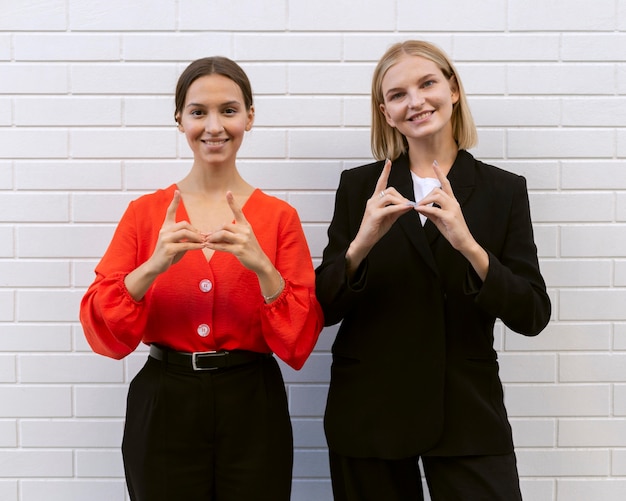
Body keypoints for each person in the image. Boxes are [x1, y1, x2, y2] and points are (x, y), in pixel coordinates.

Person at [80, 56, 324, 501]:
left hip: (253, 401)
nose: (214, 126)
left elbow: (299, 343)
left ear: (250, 117)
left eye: (229, 110)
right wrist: (153, 265)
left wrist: (263, 268)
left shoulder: (277, 218)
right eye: (198, 112)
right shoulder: (145, 213)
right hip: (164, 401)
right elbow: (104, 334)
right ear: (180, 120)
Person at [315, 40, 551, 500]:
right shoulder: (360, 187)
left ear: (454, 89)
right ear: (386, 113)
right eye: (398, 94)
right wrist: (362, 242)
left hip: (466, 409)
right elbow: (321, 308)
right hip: (370, 409)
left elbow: (532, 314)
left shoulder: (503, 190)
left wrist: (468, 245)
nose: (416, 101)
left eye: (427, 83)